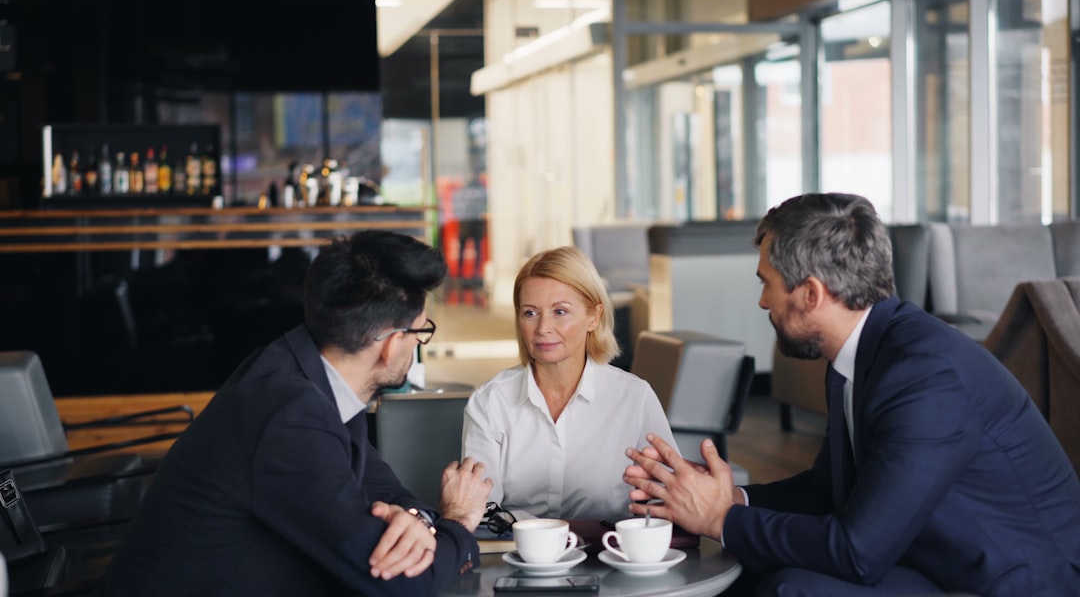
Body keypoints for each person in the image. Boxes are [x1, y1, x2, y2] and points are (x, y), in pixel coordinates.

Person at [623, 193, 1080, 596]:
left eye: (767, 283)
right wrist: (727, 498)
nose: (763, 302)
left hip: (1010, 580)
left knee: (791, 588)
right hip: (934, 555)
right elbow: (828, 489)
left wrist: (720, 518)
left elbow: (859, 551)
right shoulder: (863, 352)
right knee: (757, 567)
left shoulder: (926, 377)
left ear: (811, 293)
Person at [100, 230, 493, 596]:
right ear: (390, 345)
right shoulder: (289, 417)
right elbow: (406, 584)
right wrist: (457, 521)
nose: (418, 346)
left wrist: (417, 522)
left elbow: (384, 491)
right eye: (421, 333)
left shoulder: (311, 371)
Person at [462, 246, 677, 520]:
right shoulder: (491, 401)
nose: (542, 328)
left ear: (593, 317)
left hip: (610, 556)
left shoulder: (634, 398)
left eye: (560, 312)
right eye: (530, 313)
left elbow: (668, 498)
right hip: (519, 555)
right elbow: (480, 509)